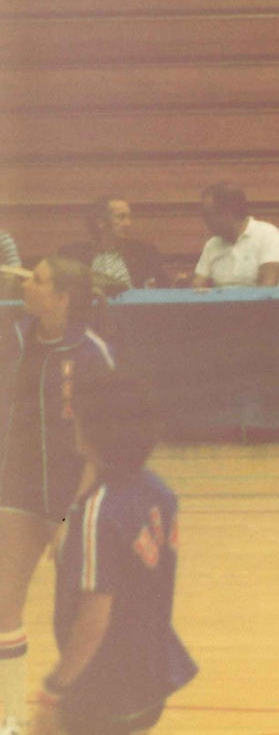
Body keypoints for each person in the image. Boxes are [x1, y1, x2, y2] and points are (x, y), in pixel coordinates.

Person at [28, 374, 197, 735]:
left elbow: (94, 620)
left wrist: (55, 688)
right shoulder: (157, 490)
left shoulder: (98, 514)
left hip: (105, 689)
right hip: (151, 677)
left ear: (93, 433)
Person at [0, 256, 115, 735]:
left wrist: (78, 511)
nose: (29, 284)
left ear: (63, 296)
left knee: (74, 615)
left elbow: (106, 444)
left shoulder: (92, 352)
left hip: (74, 498)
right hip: (18, 491)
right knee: (3, 604)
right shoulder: (15, 338)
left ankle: (85, 715)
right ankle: (9, 718)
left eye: (40, 280)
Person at [57, 197, 167, 297]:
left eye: (129, 217)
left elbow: (161, 290)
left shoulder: (144, 252)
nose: (128, 223)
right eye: (121, 217)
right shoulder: (72, 255)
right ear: (101, 222)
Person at [192, 182, 279, 289]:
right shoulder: (212, 244)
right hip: (220, 305)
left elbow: (267, 289)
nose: (205, 220)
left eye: (208, 214)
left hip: (259, 304)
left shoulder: (268, 235)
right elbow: (198, 286)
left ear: (227, 213)